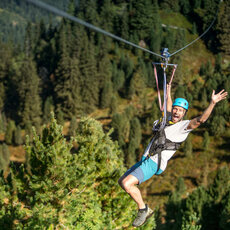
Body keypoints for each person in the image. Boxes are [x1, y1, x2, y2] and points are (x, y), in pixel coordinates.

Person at [118, 84, 228, 227]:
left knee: (127, 184)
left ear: (184, 114)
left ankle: (143, 209)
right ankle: (143, 207)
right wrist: (168, 91)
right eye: (176, 109)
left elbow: (201, 120)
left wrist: (212, 103)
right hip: (146, 159)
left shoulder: (183, 127)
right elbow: (168, 106)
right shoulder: (167, 121)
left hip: (153, 162)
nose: (176, 112)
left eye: (180, 111)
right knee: (122, 181)